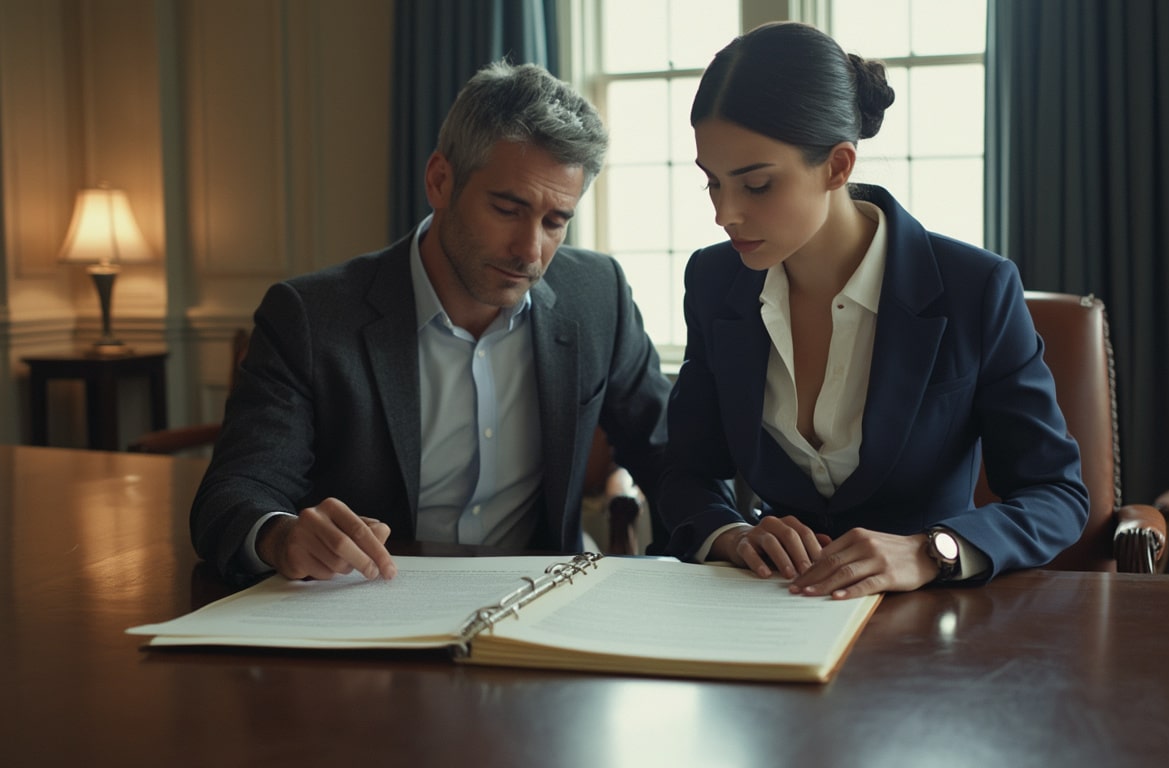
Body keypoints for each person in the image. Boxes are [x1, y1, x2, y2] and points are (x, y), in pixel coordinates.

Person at [191, 61, 670, 585]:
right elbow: (235, 491)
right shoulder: (310, 318)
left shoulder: (597, 296)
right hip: (371, 610)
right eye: (508, 209)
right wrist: (281, 536)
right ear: (441, 180)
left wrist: (728, 533)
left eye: (555, 221)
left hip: (543, 604)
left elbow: (666, 450)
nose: (530, 250)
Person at [658, 22, 1088, 599]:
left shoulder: (975, 288)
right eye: (712, 184)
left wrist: (931, 550)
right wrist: (731, 533)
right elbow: (686, 470)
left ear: (838, 166)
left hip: (930, 628)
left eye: (756, 184)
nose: (725, 214)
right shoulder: (714, 282)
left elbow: (1056, 496)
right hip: (768, 612)